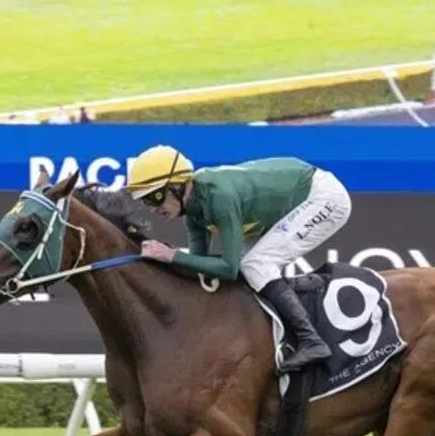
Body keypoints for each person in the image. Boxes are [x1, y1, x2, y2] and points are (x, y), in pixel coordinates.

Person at [125, 145, 354, 373]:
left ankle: (311, 340)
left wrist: (172, 255)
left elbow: (228, 268)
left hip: (322, 197)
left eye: (154, 198)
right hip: (288, 198)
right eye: (145, 202)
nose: (152, 209)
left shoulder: (219, 197)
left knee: (255, 264)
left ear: (176, 186)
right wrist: (168, 259)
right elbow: (200, 268)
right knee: (250, 266)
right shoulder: (193, 211)